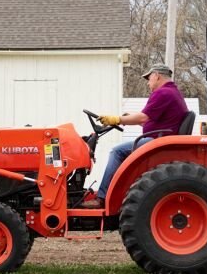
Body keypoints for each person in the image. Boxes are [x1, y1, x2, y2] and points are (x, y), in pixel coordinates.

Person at [81, 63, 188, 209]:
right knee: (121, 150)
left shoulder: (163, 93)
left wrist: (117, 119)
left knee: (117, 151)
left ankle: (102, 198)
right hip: (161, 137)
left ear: (157, 75)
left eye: (149, 78)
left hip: (157, 141)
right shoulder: (172, 93)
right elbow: (152, 121)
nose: (148, 83)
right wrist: (127, 119)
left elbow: (143, 118)